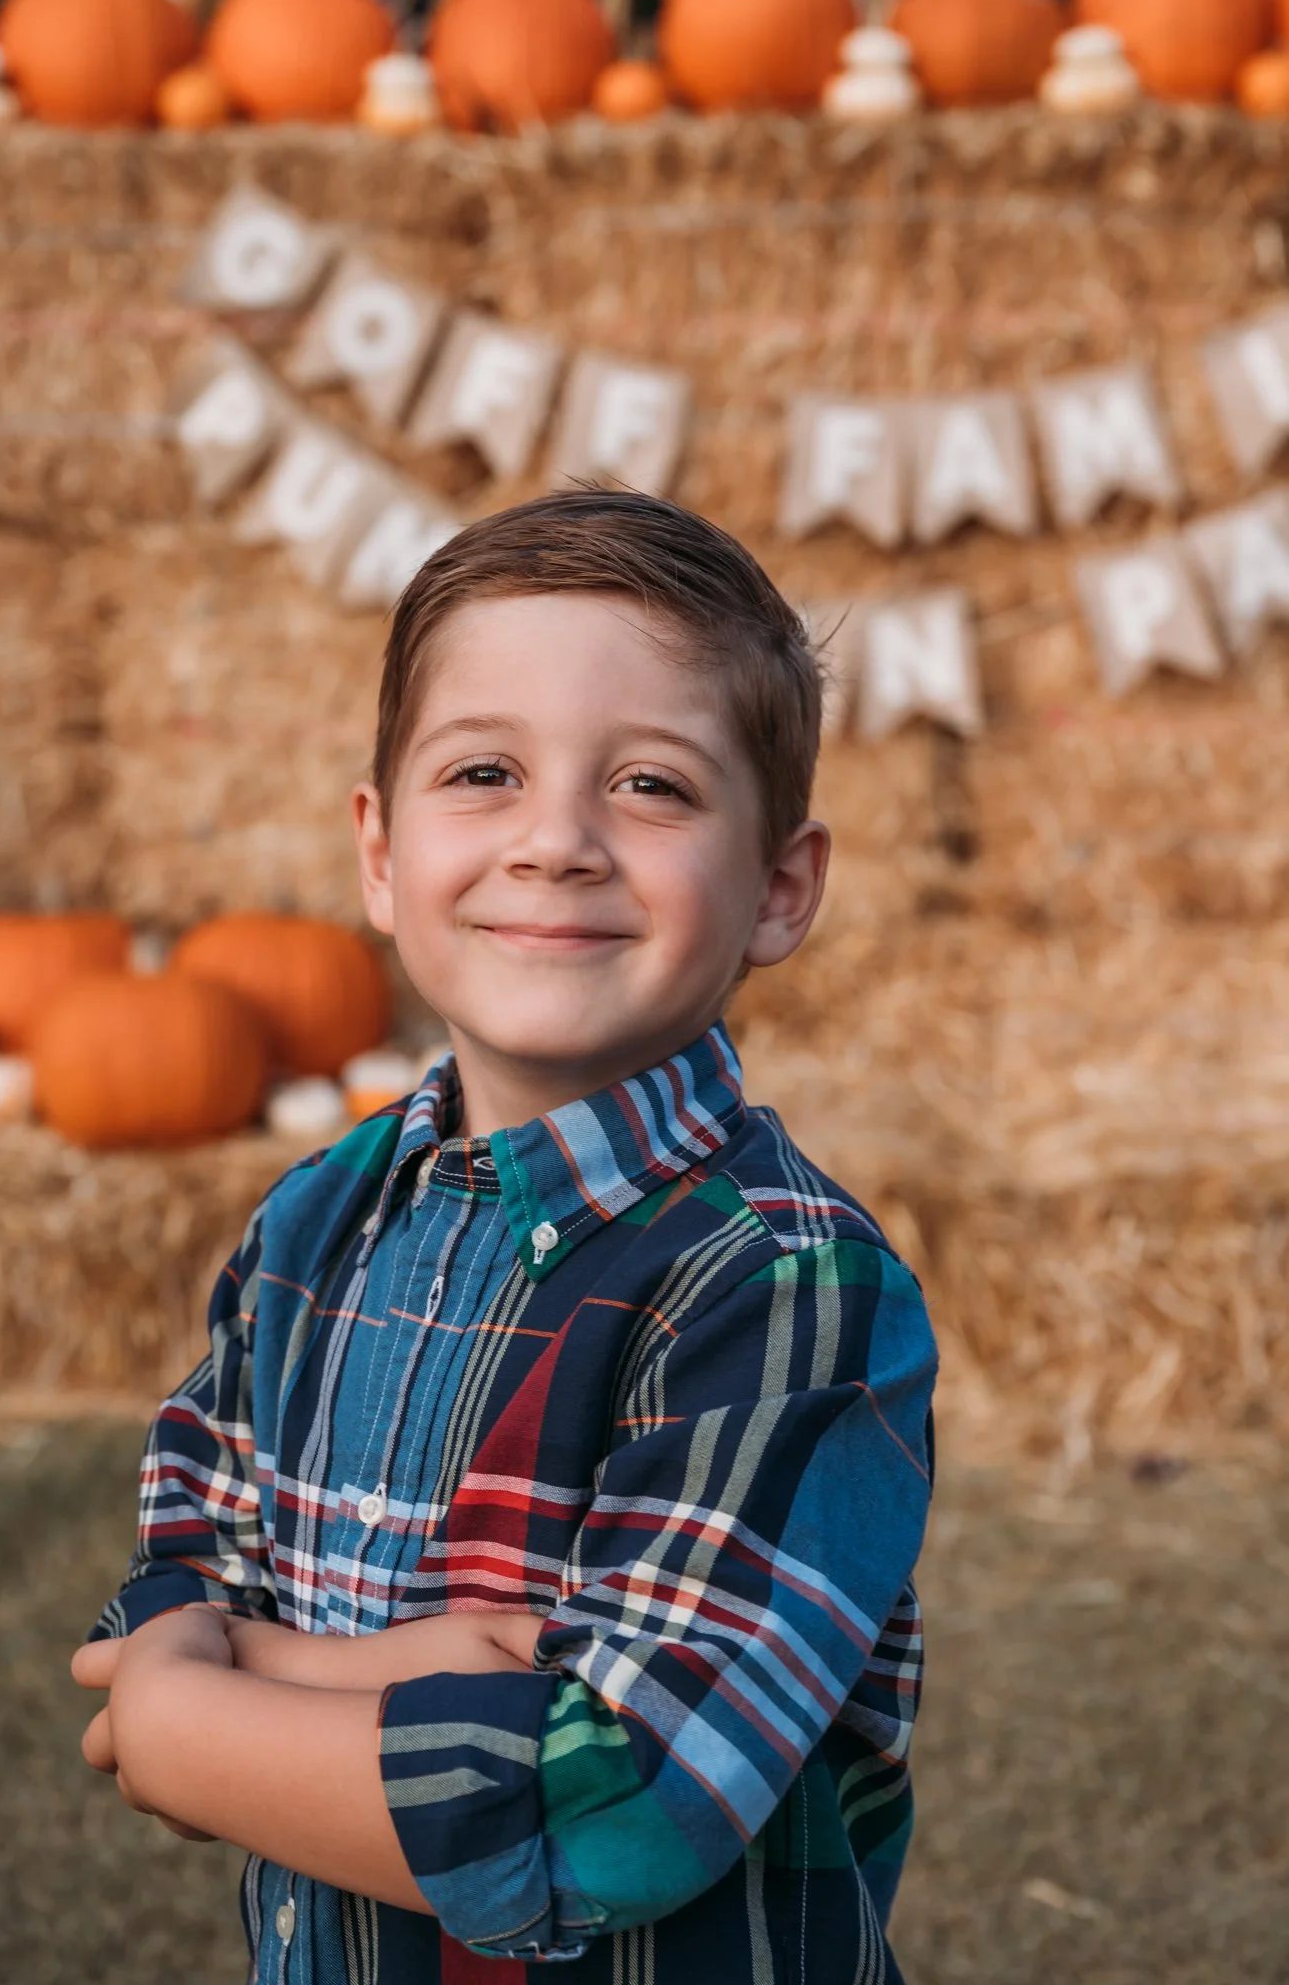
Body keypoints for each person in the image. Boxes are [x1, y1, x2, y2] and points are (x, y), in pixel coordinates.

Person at [73, 486, 937, 1984]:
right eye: (484, 771)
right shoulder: (315, 1221)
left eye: (652, 789)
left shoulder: (787, 1288)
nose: (555, 843)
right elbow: (176, 1570)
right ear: (381, 851)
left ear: (780, 890)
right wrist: (398, 1667)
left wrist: (180, 1720)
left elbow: (609, 1814)